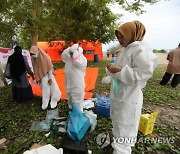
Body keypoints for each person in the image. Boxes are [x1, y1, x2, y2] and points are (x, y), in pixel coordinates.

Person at [106, 21, 158, 154]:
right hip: (119, 94)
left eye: (122, 36)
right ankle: (118, 145)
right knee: (118, 122)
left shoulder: (141, 49)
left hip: (129, 97)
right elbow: (118, 70)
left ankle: (122, 151)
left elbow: (142, 73)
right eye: (118, 38)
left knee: (126, 126)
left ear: (131, 34)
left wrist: (119, 70)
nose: (120, 40)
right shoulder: (125, 49)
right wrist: (112, 70)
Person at [30, 45, 61, 110]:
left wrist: (50, 78)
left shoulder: (45, 57)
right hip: (41, 77)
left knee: (52, 88)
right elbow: (35, 68)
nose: (33, 55)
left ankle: (50, 101)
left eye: (33, 54)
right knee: (45, 90)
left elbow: (49, 67)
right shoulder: (33, 58)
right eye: (31, 54)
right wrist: (36, 77)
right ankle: (47, 100)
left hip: (47, 75)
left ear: (37, 51)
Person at [62, 43, 87, 112]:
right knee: (70, 96)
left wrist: (75, 51)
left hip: (77, 84)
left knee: (77, 97)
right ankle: (71, 108)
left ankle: (78, 113)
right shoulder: (69, 60)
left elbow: (77, 62)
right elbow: (63, 56)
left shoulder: (82, 59)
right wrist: (70, 51)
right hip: (69, 83)